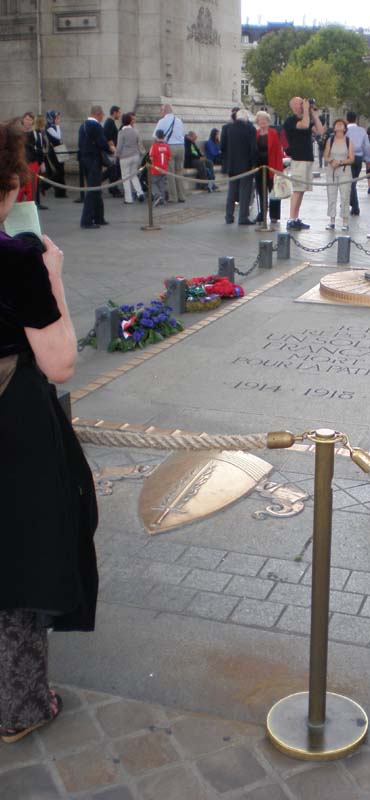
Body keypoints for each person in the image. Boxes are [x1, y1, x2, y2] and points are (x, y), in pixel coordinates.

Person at [0, 119, 98, 744]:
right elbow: (60, 362)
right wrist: (53, 275)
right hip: (12, 424)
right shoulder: (15, 259)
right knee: (16, 558)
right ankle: (18, 706)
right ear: (10, 187)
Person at [283, 97, 324, 230]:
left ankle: (296, 217)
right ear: (294, 106)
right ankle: (291, 218)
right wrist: (306, 111)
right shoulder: (291, 121)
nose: (302, 105)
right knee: (297, 189)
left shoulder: (306, 118)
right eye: (300, 103)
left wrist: (315, 114)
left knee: (302, 190)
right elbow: (305, 125)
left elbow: (320, 131)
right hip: (298, 158)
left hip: (307, 158)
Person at [78, 105, 114, 229]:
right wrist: (111, 149)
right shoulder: (96, 126)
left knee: (96, 189)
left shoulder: (82, 126)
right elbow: (102, 143)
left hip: (85, 160)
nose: (102, 117)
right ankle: (86, 220)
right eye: (102, 115)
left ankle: (99, 217)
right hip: (94, 160)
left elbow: (80, 144)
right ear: (97, 114)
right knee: (93, 190)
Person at [223, 108, 257, 225]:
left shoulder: (228, 128)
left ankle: (229, 216)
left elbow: (223, 146)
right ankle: (243, 216)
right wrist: (254, 163)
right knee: (245, 192)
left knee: (231, 191)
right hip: (246, 165)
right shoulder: (250, 129)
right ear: (246, 118)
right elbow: (253, 148)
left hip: (232, 164)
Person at [323, 117, 355, 231]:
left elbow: (352, 158)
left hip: (344, 171)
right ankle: (332, 220)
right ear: (334, 127)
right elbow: (325, 156)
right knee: (331, 195)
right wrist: (331, 161)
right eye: (337, 124)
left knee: (345, 195)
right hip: (331, 171)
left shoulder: (348, 141)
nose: (339, 126)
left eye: (342, 124)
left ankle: (345, 221)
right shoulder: (330, 140)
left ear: (345, 128)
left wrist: (341, 162)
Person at [254, 110, 284, 224]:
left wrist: (278, 170)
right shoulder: (256, 134)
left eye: (264, 120)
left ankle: (274, 215)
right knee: (261, 192)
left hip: (272, 166)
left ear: (268, 121)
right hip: (259, 167)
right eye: (260, 120)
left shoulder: (273, 133)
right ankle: (262, 213)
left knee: (274, 192)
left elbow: (277, 152)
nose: (262, 122)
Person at [153, 104, 186, 203]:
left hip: (170, 147)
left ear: (164, 111)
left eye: (161, 111)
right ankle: (182, 196)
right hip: (181, 147)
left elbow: (155, 136)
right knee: (179, 172)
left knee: (170, 173)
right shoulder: (179, 120)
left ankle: (173, 197)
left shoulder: (162, 121)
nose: (160, 113)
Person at [345, 111, 370, 216]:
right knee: (354, 182)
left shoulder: (345, 131)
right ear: (356, 119)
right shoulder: (362, 131)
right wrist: (368, 159)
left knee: (350, 183)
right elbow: (367, 146)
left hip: (348, 157)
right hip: (359, 158)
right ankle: (351, 203)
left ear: (347, 119)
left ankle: (355, 206)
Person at [116, 112, 145, 204]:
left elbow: (119, 146)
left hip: (125, 157)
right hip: (135, 155)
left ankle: (128, 199)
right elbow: (139, 143)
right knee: (134, 175)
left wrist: (116, 155)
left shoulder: (121, 133)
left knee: (125, 178)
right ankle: (140, 192)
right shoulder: (135, 131)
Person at [45, 110, 67, 199]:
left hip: (59, 149)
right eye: (56, 118)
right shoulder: (49, 127)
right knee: (59, 171)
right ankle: (45, 185)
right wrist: (57, 125)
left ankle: (61, 192)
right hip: (54, 151)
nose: (58, 119)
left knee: (61, 171)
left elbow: (59, 137)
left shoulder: (54, 126)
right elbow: (58, 137)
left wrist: (57, 126)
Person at [103, 106, 123, 198]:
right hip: (111, 151)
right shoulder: (109, 123)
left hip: (113, 150)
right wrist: (114, 150)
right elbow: (108, 138)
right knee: (113, 169)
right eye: (119, 112)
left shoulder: (111, 122)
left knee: (113, 170)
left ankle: (112, 188)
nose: (120, 114)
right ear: (114, 113)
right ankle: (113, 188)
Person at [148, 129, 171, 206]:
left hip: (155, 169)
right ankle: (162, 199)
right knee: (162, 184)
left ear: (156, 137)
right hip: (164, 168)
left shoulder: (154, 146)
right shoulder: (167, 146)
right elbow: (169, 157)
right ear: (163, 137)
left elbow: (151, 158)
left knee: (153, 183)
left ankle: (157, 196)